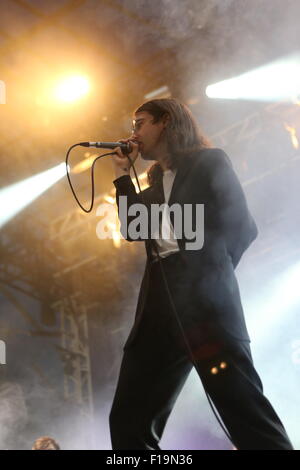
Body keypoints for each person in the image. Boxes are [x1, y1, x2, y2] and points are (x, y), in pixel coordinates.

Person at [109, 98, 293, 450]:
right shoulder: (154, 184)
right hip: (158, 306)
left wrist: (211, 276)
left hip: (205, 301)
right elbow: (133, 229)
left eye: (140, 123)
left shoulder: (208, 162)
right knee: (129, 420)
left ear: (165, 122)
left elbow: (242, 226)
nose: (134, 133)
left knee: (242, 409)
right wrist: (121, 174)